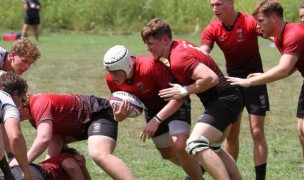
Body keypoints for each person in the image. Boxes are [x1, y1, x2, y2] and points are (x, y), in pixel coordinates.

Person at [141, 18, 243, 179]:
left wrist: (183, 90)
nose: (148, 48)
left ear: (165, 40)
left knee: (196, 143)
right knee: (215, 148)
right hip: (229, 98)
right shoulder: (179, 45)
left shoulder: (178, 58)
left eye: (151, 44)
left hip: (224, 101)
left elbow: (211, 78)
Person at [103, 45, 203, 180]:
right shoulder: (111, 80)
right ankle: (198, 167)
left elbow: (180, 96)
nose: (112, 76)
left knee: (178, 144)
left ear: (126, 65)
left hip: (175, 102)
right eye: (110, 72)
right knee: (166, 153)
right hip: (152, 108)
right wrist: (119, 116)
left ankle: (196, 176)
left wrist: (156, 120)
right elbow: (117, 106)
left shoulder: (149, 67)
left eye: (115, 72)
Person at [225, 0, 304, 170]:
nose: (257, 26)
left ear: (274, 18)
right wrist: (264, 76)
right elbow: (292, 66)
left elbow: (283, 70)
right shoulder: (278, 38)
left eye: (260, 21)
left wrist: (249, 81)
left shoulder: (294, 34)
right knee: (302, 130)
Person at [200, 0, 269, 179]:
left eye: (219, 4)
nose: (215, 9)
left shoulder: (249, 21)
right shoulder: (213, 28)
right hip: (233, 83)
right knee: (231, 132)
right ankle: (230, 174)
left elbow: (274, 35)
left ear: (231, 3)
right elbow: (203, 51)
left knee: (257, 131)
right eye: (212, 5)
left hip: (255, 80)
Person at [9, 93, 134, 180]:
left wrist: (21, 163)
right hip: (79, 128)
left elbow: (44, 138)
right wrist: (47, 166)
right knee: (57, 164)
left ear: (20, 106)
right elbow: (56, 137)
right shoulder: (33, 118)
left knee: (98, 153)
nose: (9, 115)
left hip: (98, 113)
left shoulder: (38, 103)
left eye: (10, 110)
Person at [0, 71, 35, 180]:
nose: (21, 104)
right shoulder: (8, 103)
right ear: (16, 93)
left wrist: (7, 173)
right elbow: (15, 137)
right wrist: (27, 172)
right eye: (22, 99)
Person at [10, 148, 91, 180]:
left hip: (21, 171)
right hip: (34, 172)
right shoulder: (67, 156)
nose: (81, 158)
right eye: (78, 155)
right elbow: (72, 168)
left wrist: (83, 166)